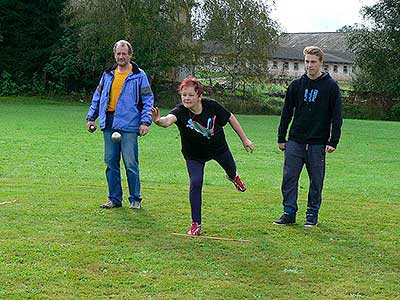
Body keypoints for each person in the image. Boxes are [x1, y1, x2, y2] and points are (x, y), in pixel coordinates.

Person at [150, 77, 254, 235]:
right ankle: (196, 223)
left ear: (199, 96)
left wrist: (245, 139)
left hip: (218, 148)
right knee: (196, 183)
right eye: (184, 95)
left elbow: (230, 118)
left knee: (231, 169)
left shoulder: (211, 106)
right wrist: (157, 120)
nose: (186, 98)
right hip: (194, 155)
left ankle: (233, 177)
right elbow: (167, 121)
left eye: (190, 95)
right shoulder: (181, 111)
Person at [274, 46, 343, 227]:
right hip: (295, 140)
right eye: (306, 61)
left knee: (316, 181)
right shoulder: (296, 85)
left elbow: (337, 116)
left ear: (321, 62)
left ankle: (312, 214)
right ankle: (289, 212)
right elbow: (286, 112)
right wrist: (282, 137)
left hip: (318, 143)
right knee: (289, 178)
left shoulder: (331, 87)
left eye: (313, 62)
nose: (309, 65)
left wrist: (333, 140)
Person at [86, 40, 154, 210]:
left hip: (130, 124)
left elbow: (147, 100)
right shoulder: (108, 74)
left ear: (130, 55)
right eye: (118, 53)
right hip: (109, 122)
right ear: (114, 55)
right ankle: (114, 199)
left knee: (131, 163)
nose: (121, 57)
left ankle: (135, 200)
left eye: (124, 54)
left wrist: (145, 122)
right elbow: (97, 96)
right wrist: (91, 117)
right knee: (110, 163)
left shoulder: (139, 75)